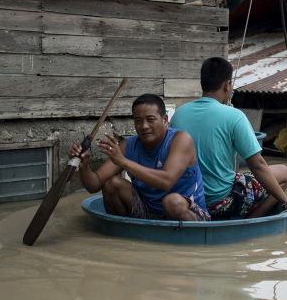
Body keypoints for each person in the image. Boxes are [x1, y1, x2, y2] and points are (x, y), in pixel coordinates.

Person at [170, 57, 287, 220]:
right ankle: (251, 221)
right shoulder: (234, 116)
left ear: (202, 83)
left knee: (236, 175)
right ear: (227, 84)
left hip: (191, 199)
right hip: (220, 202)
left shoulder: (179, 114)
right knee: (284, 173)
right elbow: (257, 165)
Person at [70, 93, 209, 221]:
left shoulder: (181, 140)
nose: (144, 126)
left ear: (165, 120)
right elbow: (94, 184)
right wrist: (84, 166)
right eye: (138, 121)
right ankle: (126, 238)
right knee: (111, 184)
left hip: (188, 214)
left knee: (172, 202)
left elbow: (166, 182)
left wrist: (123, 162)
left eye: (150, 119)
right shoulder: (128, 145)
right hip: (148, 211)